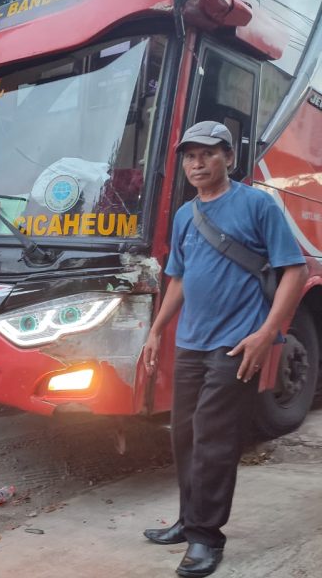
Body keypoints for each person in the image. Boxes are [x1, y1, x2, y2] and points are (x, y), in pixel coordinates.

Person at [141, 121, 307, 577]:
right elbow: (177, 278)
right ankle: (188, 519)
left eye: (208, 154)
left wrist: (266, 333)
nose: (197, 163)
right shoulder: (184, 215)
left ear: (229, 158)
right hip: (192, 341)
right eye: (190, 156)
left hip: (236, 345)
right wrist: (157, 331)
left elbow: (293, 271)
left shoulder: (256, 204)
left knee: (215, 440)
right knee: (185, 435)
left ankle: (206, 538)